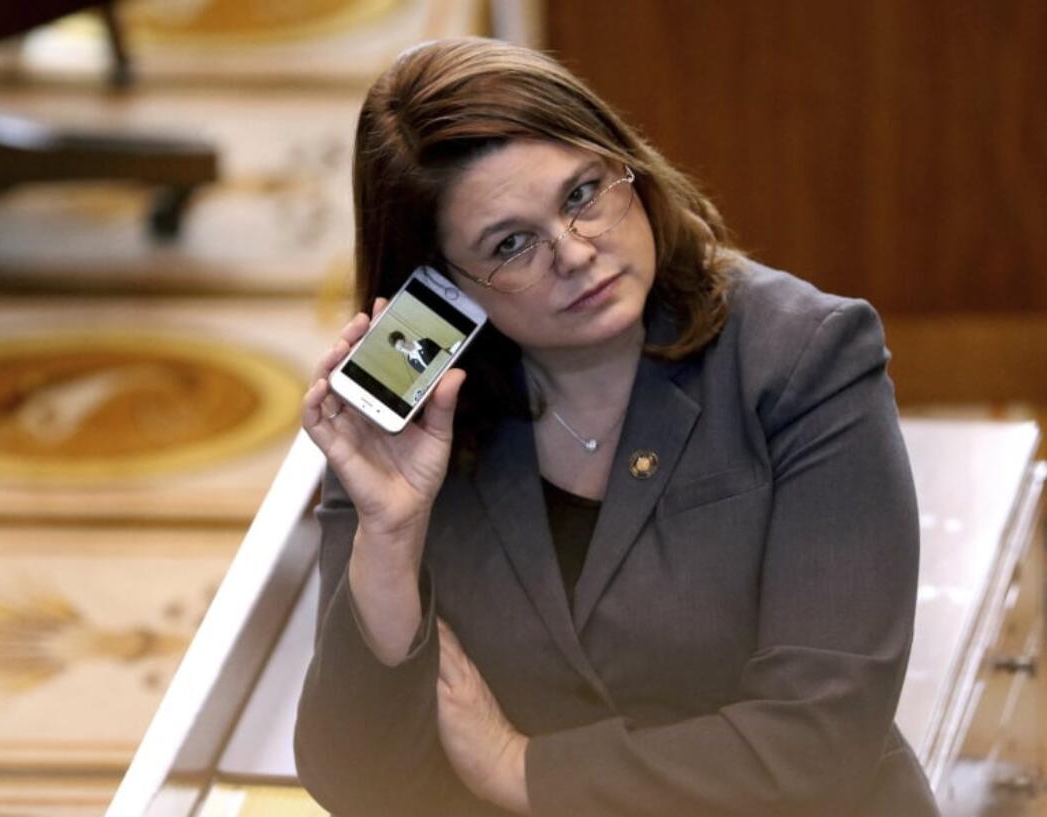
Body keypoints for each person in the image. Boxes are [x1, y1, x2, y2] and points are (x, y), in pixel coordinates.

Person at [294, 37, 938, 817]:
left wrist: (522, 770)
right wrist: (389, 541)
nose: (575, 251)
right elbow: (358, 782)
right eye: (511, 244)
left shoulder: (804, 357)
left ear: (625, 164)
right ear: (437, 288)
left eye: (582, 193)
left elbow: (817, 741)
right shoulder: (406, 426)